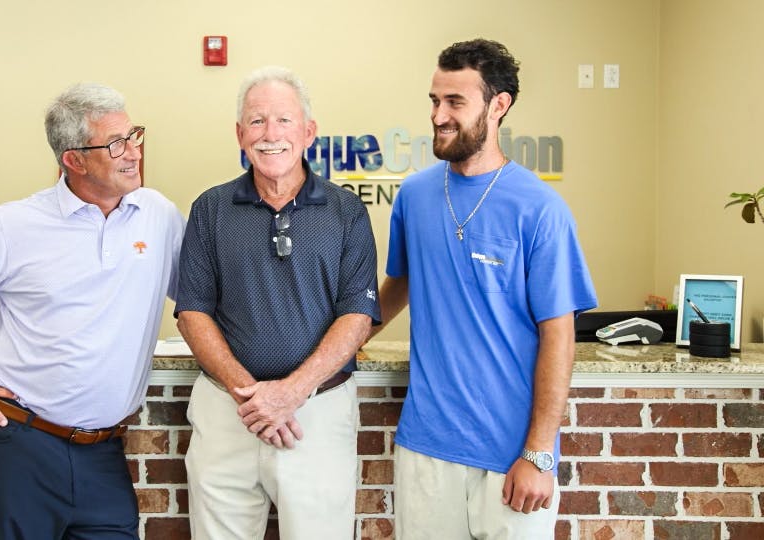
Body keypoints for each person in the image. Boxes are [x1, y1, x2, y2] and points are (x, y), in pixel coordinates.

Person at [0, 82, 184, 539]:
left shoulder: (160, 215)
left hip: (104, 453)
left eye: (133, 136)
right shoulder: (12, 225)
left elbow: (196, 299)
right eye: (115, 144)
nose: (133, 152)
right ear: (74, 160)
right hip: (19, 448)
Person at [373, 39, 598, 539]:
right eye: (435, 101)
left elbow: (559, 335)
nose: (439, 116)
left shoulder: (540, 209)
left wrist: (538, 453)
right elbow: (400, 285)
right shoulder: (414, 196)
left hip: (513, 456)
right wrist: (339, 343)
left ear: (499, 105)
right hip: (427, 448)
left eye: (455, 102)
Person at [175, 65, 380, 539]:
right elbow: (192, 313)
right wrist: (254, 398)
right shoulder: (210, 209)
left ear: (308, 132)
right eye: (257, 120)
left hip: (317, 414)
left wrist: (290, 393)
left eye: (284, 120)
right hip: (227, 412)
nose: (270, 134)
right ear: (240, 134)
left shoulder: (346, 211)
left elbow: (356, 317)